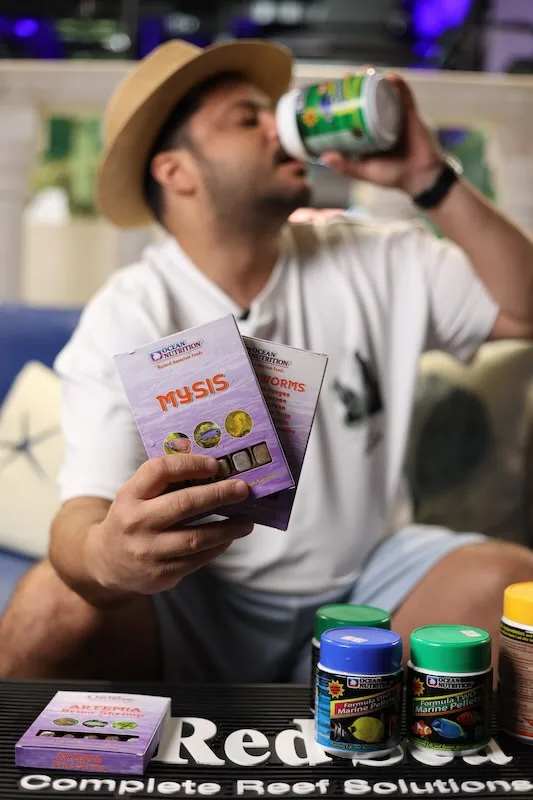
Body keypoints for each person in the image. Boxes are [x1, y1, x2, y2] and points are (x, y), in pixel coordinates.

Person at [1, 38, 533, 682]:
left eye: (274, 111)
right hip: (195, 599)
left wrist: (428, 177)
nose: (281, 129)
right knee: (46, 607)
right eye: (247, 118)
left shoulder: (380, 257)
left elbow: (523, 311)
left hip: (371, 587)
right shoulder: (129, 312)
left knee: (513, 586)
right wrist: (108, 556)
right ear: (177, 172)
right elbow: (80, 514)